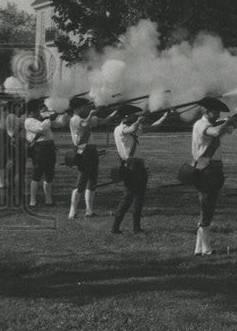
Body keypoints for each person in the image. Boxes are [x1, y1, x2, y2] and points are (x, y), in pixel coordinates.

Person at [189, 97, 237, 256]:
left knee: (207, 207)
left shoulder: (213, 123)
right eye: (215, 111)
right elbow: (216, 132)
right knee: (207, 208)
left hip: (211, 169)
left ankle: (198, 248)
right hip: (206, 169)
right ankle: (207, 249)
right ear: (206, 110)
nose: (217, 114)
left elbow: (235, 125)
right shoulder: (201, 124)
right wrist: (229, 121)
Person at [111, 104, 169, 234]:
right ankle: (115, 227)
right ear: (125, 116)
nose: (133, 117)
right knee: (128, 197)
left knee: (139, 197)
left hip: (137, 165)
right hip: (131, 165)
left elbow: (153, 127)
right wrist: (139, 121)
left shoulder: (131, 129)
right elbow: (131, 129)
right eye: (131, 115)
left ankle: (136, 227)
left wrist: (165, 116)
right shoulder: (120, 129)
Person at [67, 97, 114, 219]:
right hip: (84, 152)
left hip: (91, 151)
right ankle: (72, 212)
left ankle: (89, 210)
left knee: (92, 182)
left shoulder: (83, 118)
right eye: (84, 107)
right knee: (81, 181)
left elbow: (105, 121)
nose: (86, 108)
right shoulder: (75, 119)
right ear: (78, 108)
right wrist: (92, 113)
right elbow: (85, 124)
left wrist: (117, 111)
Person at [25, 99, 62, 208]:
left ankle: (48, 200)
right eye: (36, 110)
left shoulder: (41, 119)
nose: (38, 112)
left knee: (49, 174)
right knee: (37, 173)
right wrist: (50, 118)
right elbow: (41, 128)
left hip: (48, 147)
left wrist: (63, 114)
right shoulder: (29, 121)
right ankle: (32, 201)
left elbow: (58, 124)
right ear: (31, 112)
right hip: (39, 148)